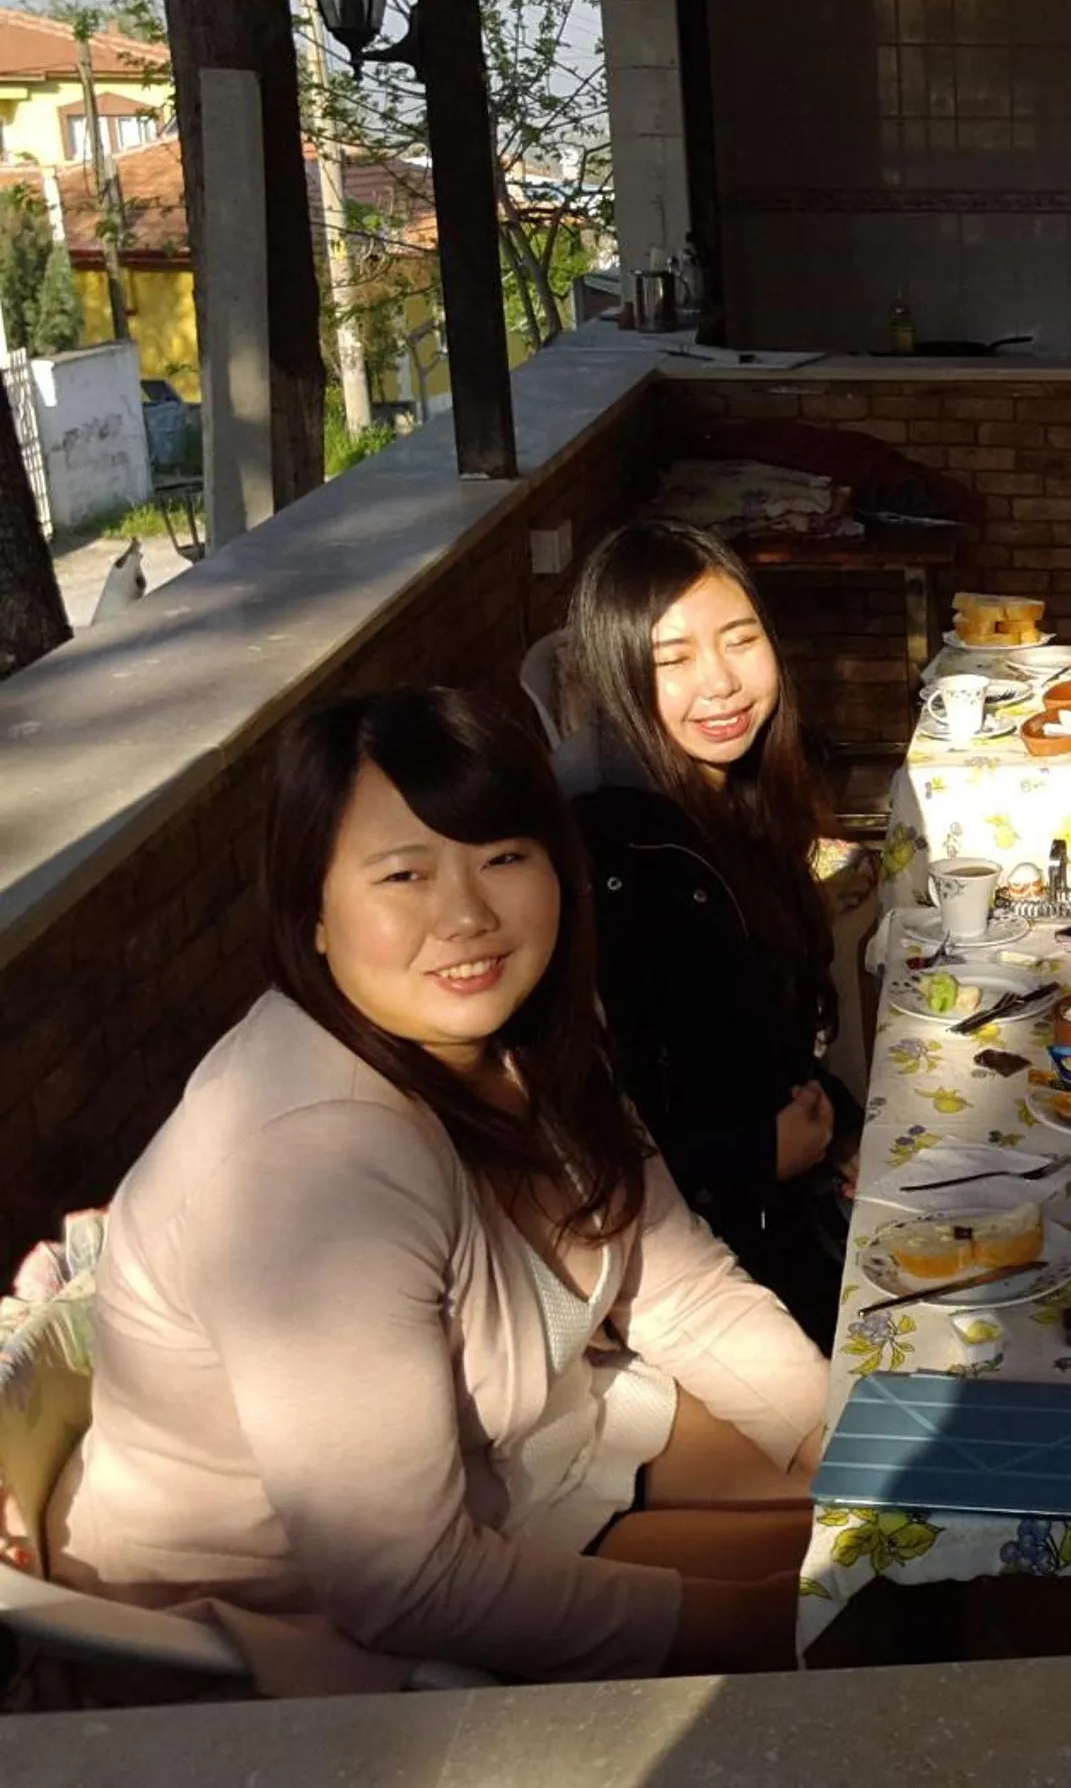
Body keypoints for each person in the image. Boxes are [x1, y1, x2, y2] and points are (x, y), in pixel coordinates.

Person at [47, 690, 826, 1687]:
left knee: (892, 1522)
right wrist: (755, 1625)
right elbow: (401, 1579)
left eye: (503, 857)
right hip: (301, 1604)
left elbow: (677, 1289)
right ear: (311, 915)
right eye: (404, 875)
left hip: (524, 1455)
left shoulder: (516, 1036)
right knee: (845, 1608)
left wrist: (830, 1436)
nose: (467, 917)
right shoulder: (311, 1167)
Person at [562, 519, 852, 1346]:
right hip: (702, 1276)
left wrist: (838, 1122)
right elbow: (590, 1146)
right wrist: (758, 1157)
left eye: (739, 640)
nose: (720, 685)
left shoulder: (740, 800)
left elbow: (760, 1042)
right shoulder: (618, 855)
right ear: (616, 678)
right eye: (672, 661)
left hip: (786, 1198)